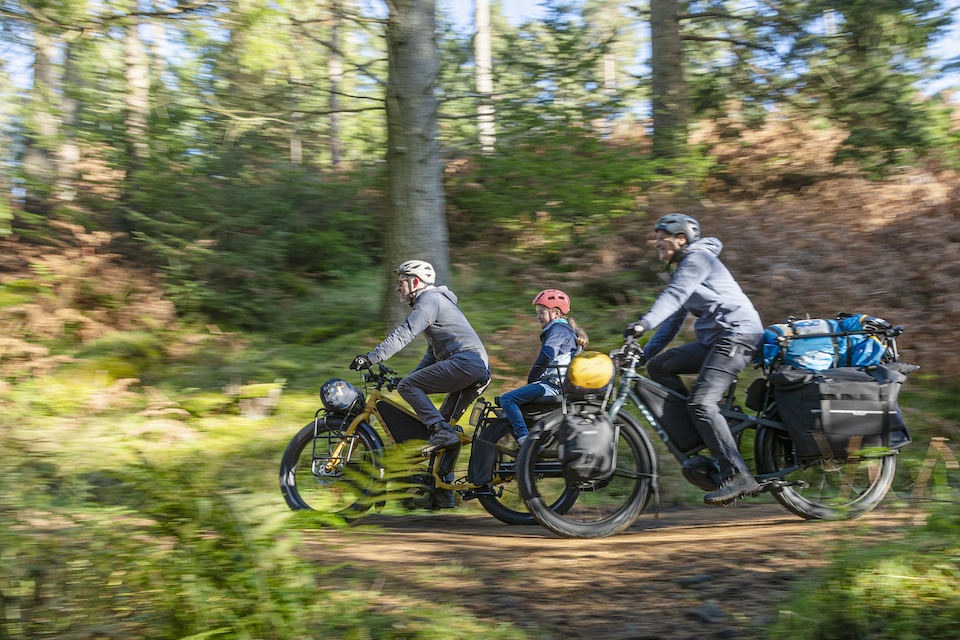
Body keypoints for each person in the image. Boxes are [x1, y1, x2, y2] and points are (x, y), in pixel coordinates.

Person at [624, 214, 765, 506]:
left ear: (681, 239)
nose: (656, 243)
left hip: (739, 335)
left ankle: (738, 474)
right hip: (717, 342)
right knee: (660, 366)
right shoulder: (685, 270)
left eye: (662, 238)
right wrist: (643, 354)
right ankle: (706, 437)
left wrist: (643, 323)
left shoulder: (699, 258)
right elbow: (672, 322)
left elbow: (674, 296)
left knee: (701, 402)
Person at [350, 259, 490, 458]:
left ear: (415, 282)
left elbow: (404, 333)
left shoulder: (429, 300)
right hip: (478, 369)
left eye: (402, 282)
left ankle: (442, 435)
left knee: (409, 390)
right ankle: (443, 486)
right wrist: (412, 376)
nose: (398, 288)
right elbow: (433, 353)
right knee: (444, 429)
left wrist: (371, 358)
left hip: (465, 364)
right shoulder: (436, 302)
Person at [500, 289, 588, 445]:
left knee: (507, 399)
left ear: (555, 313)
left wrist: (532, 378)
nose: (538, 317)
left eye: (541, 312)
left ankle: (524, 440)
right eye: (537, 313)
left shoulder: (557, 329)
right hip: (558, 384)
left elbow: (547, 354)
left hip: (553, 385)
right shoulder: (565, 330)